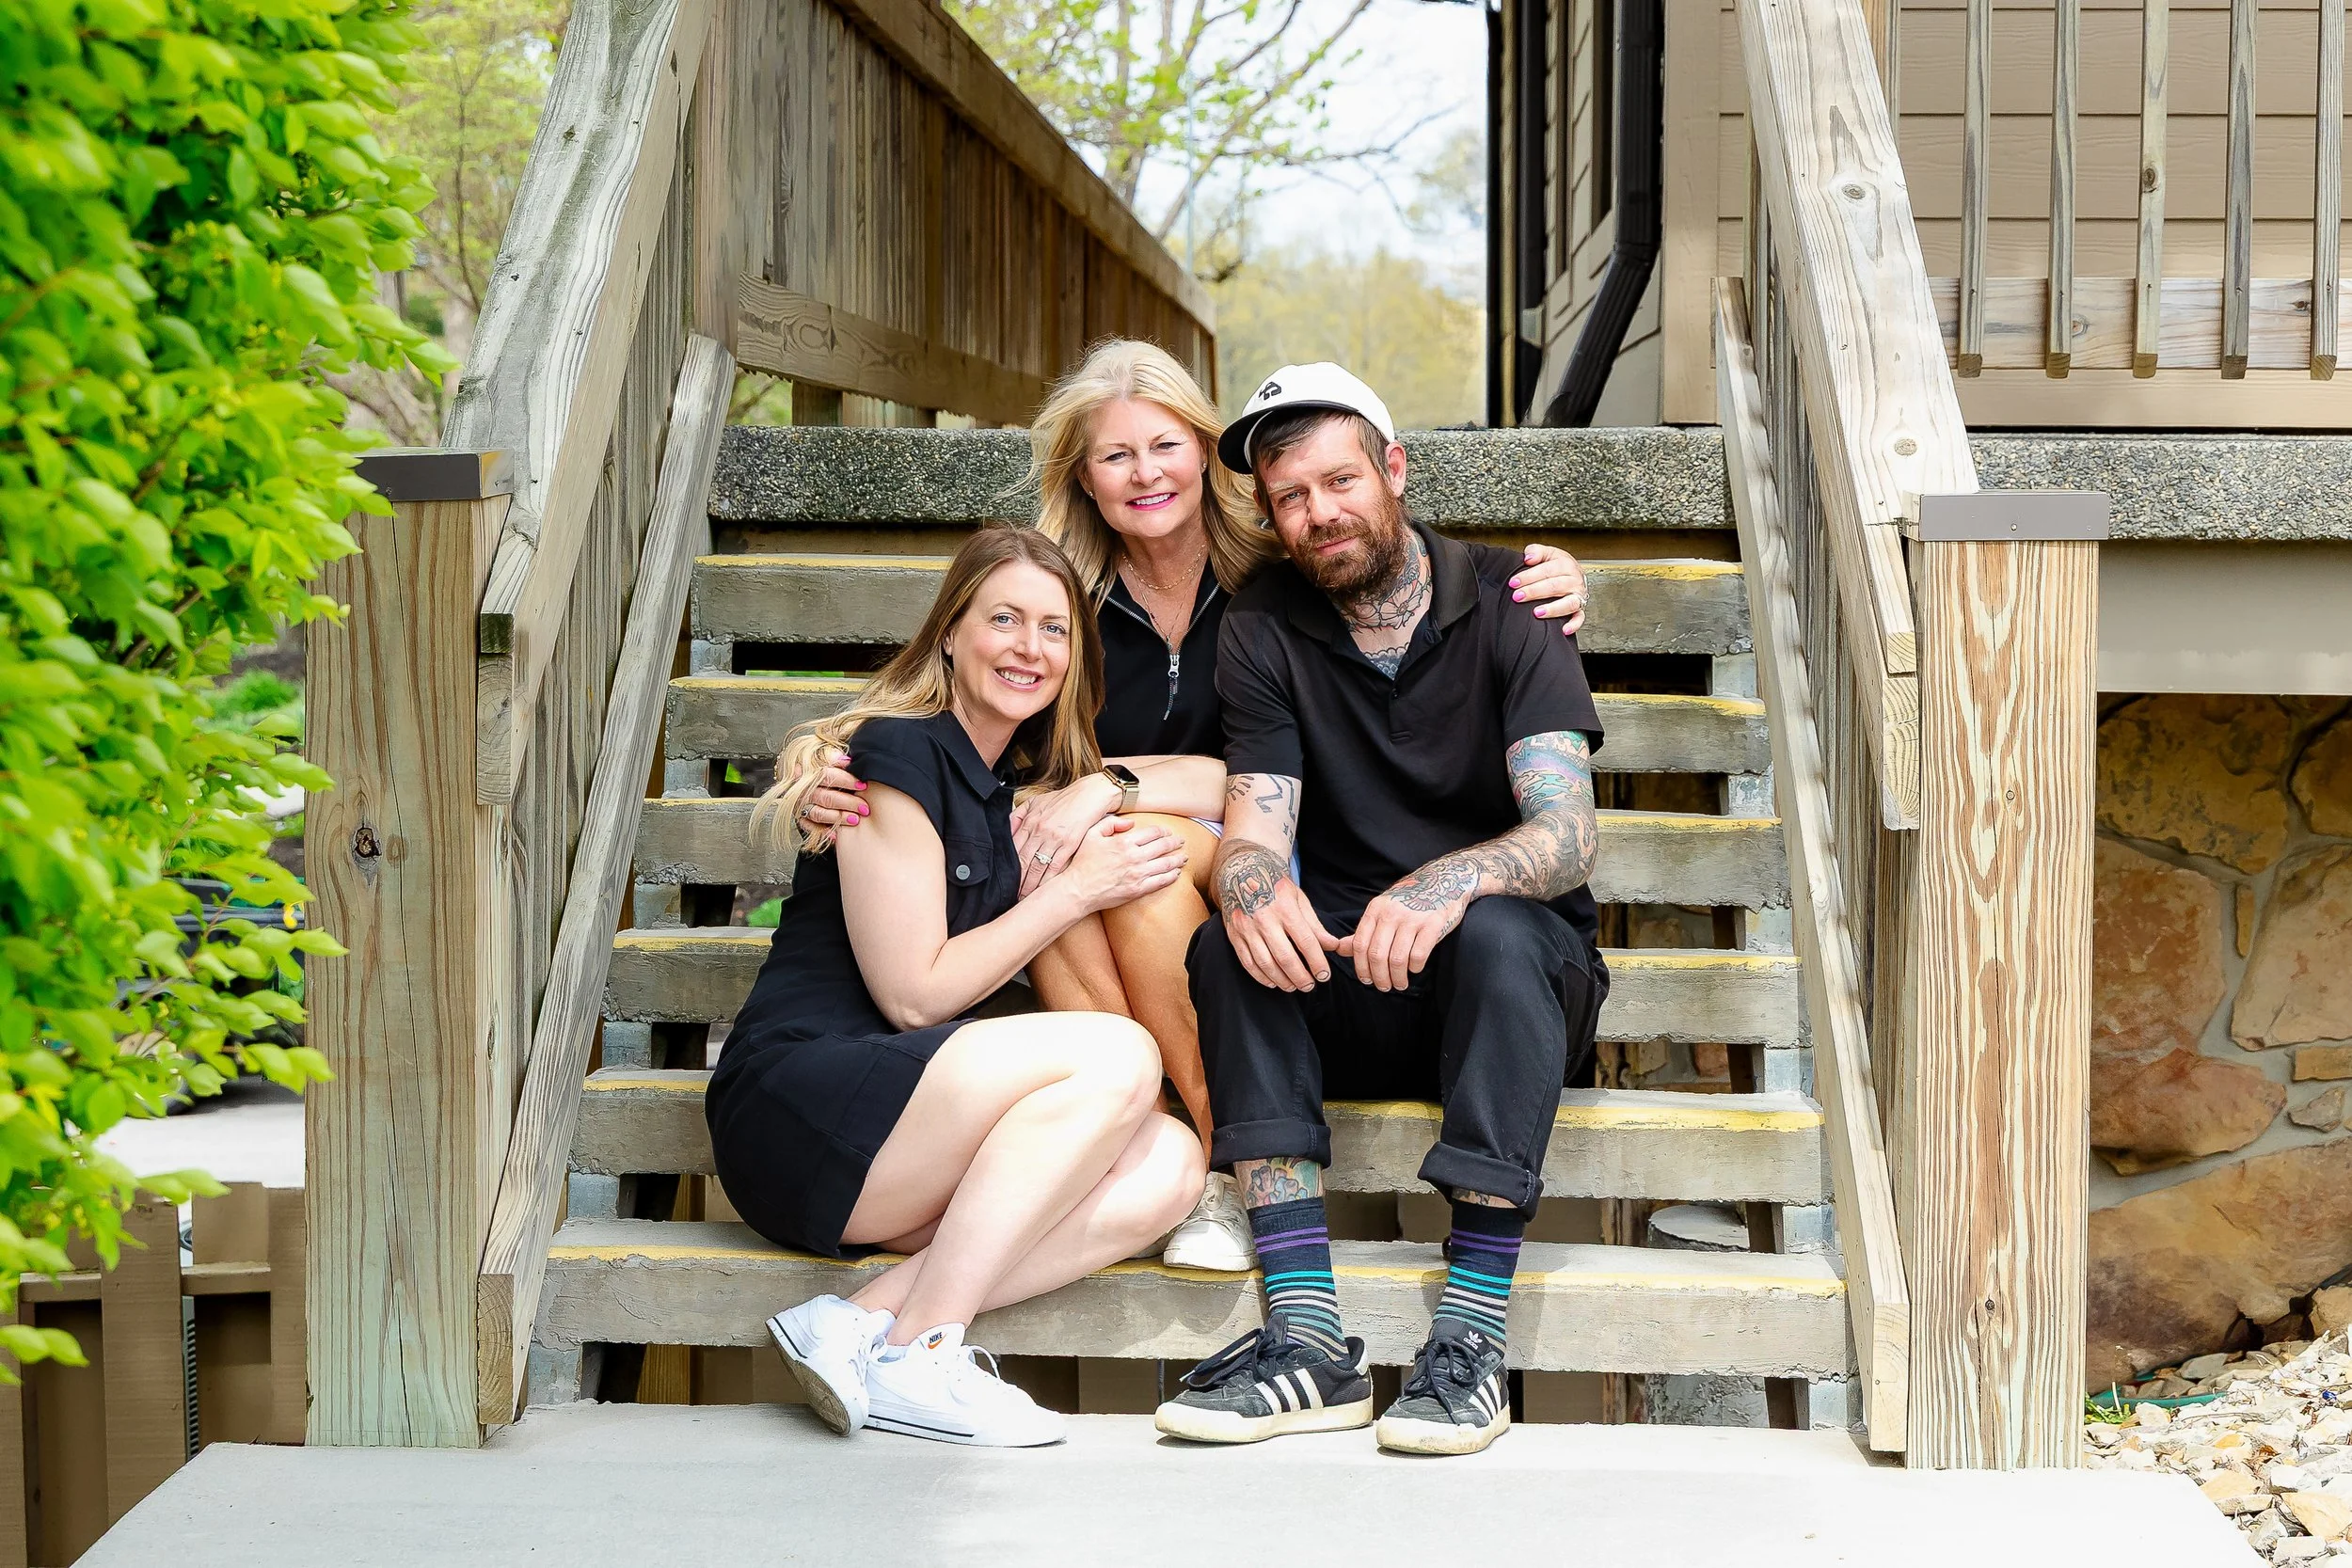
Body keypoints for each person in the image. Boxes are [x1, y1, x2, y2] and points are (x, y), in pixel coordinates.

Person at [792, 340, 1593, 1274]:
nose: (1145, 473)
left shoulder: (1281, 569)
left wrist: (1107, 784)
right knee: (1076, 860)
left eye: (1165, 445)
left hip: (1268, 848)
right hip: (1118, 860)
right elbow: (939, 692)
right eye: (1115, 454)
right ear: (1082, 476)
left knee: (1129, 849)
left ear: (1208, 457)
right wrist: (825, 767)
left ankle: (1215, 1157)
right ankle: (1143, 1137)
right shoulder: (1062, 597)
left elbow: (1381, 565)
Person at [1152, 364, 1607, 1458]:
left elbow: (1567, 833)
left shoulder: (1513, 599)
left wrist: (1445, 882)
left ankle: (1469, 1340)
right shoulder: (1261, 624)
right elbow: (1255, 822)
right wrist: (1251, 885)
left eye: (1339, 480)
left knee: (1498, 929)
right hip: (1355, 972)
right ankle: (1307, 1339)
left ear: (1393, 469)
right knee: (1229, 943)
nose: (1319, 512)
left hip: (1510, 989)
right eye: (1290, 496)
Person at [710, 526, 1206, 1449]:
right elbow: (914, 996)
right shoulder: (893, 757)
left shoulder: (1006, 786)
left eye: (1054, 629)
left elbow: (1221, 777)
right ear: (949, 632)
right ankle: (925, 1350)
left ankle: (861, 1322)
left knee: (1167, 1163)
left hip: (898, 1134)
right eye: (1004, 619)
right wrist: (1074, 892)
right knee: (1120, 1054)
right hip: (803, 1106)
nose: (1030, 647)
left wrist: (1104, 785)